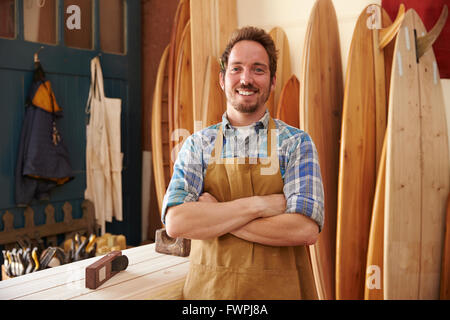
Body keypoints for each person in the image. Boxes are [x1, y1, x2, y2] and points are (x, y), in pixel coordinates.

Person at [162, 26, 324, 300]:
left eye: (258, 69)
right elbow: (177, 222)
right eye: (236, 69)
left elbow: (304, 228)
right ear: (223, 79)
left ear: (272, 81)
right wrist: (260, 205)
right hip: (209, 295)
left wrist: (218, 216)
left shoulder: (297, 143)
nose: (246, 79)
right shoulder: (197, 144)